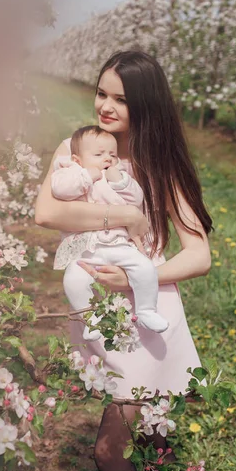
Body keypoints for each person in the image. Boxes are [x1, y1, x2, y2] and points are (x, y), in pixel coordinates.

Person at [35, 50, 212, 471]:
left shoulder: (158, 163)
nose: (106, 107)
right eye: (101, 94)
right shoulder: (77, 148)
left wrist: (134, 282)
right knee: (151, 443)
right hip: (102, 304)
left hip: (145, 308)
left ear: (145, 104)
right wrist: (125, 216)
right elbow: (47, 213)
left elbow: (199, 255)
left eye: (122, 99)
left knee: (116, 450)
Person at [51, 124, 169, 340]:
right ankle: (91, 317)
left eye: (111, 154)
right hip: (86, 249)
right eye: (98, 154)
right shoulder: (71, 171)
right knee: (73, 280)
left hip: (119, 244)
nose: (107, 158)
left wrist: (120, 181)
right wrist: (88, 175)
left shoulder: (118, 175)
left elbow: (136, 200)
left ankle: (146, 310)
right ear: (78, 159)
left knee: (145, 269)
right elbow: (60, 190)